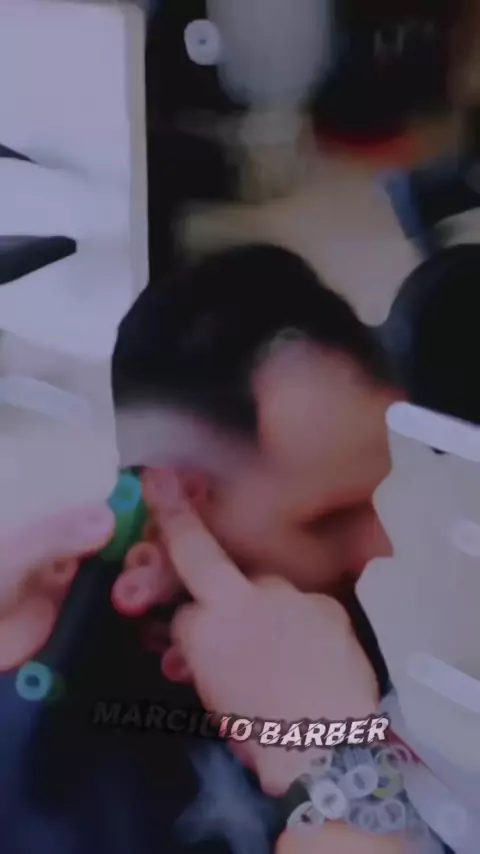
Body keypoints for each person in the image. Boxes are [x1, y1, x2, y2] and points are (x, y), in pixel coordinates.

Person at [0, 244, 432, 853]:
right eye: (328, 520)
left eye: (402, 486)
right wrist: (331, 759)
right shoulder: (56, 762)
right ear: (171, 513)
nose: (386, 545)